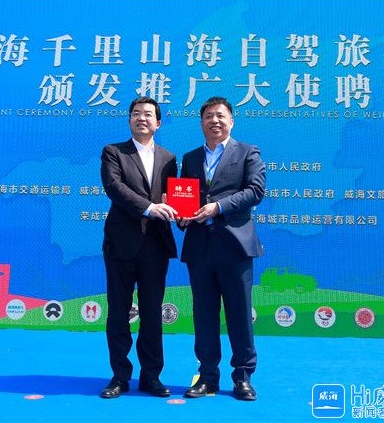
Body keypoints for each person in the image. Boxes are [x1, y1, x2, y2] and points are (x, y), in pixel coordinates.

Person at [178, 97, 265, 401]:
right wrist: (182, 216)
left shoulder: (247, 152)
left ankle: (242, 376)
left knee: (239, 313)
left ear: (231, 121)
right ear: (201, 122)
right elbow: (185, 199)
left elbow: (255, 191)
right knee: (204, 314)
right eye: (208, 116)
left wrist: (218, 207)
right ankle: (207, 376)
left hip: (235, 245)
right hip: (200, 247)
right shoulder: (190, 158)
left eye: (220, 116)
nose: (214, 121)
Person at [99, 97, 178, 399]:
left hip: (155, 245)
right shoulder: (114, 152)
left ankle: (151, 376)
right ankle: (120, 376)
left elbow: (173, 197)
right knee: (119, 312)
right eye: (136, 114)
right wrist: (149, 207)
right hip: (121, 243)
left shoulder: (169, 158)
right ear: (129, 120)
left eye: (148, 114)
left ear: (158, 123)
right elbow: (114, 188)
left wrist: (182, 212)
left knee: (152, 314)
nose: (141, 118)